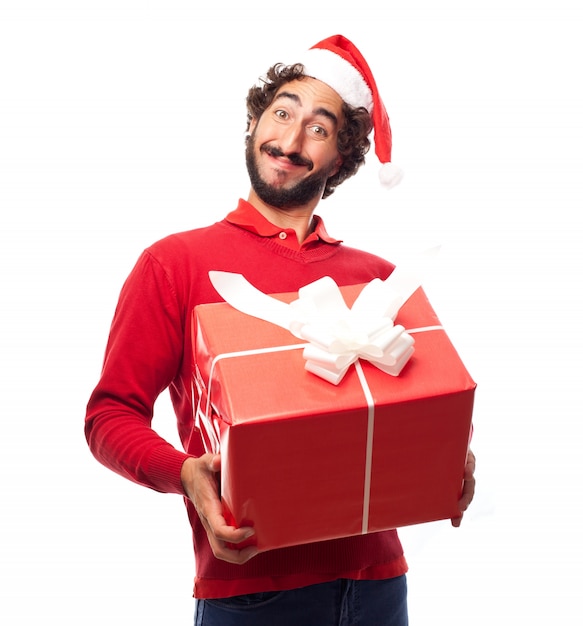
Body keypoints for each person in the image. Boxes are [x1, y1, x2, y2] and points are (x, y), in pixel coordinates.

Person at [85, 34, 476, 625]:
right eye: (282, 113)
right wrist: (186, 473)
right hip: (252, 590)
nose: (290, 142)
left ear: (340, 158)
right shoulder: (175, 264)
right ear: (253, 121)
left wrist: (450, 462)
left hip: (380, 588)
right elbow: (109, 414)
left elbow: (412, 407)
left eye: (318, 129)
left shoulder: (379, 280)